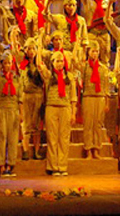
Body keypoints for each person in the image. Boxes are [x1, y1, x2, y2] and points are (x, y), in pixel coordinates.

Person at [36, 37, 77, 177]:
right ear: (52, 62)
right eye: (57, 61)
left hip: (65, 108)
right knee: (52, 138)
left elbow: (73, 97)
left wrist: (73, 113)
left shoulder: (69, 77)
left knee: (64, 138)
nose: (59, 63)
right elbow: (39, 65)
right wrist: (39, 46)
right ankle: (53, 166)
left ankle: (62, 166)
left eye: (61, 61)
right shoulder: (49, 76)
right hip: (51, 108)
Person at [0, 48, 23, 177]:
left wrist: (21, 113)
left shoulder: (16, 79)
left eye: (9, 63)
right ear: (2, 64)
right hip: (0, 109)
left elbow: (20, 98)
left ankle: (10, 165)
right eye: (5, 63)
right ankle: (1, 165)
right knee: (1, 137)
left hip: (13, 110)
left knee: (12, 139)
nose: (8, 65)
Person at [13, 37, 44, 161]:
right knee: (26, 124)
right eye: (29, 49)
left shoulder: (40, 64)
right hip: (26, 95)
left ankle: (36, 151)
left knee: (36, 124)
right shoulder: (22, 63)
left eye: (33, 49)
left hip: (38, 95)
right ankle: (25, 150)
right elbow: (15, 52)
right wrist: (13, 37)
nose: (31, 51)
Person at [80, 41, 111, 159]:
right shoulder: (84, 67)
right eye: (93, 51)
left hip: (100, 97)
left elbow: (106, 86)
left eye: (97, 51)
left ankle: (97, 149)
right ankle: (88, 149)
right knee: (88, 124)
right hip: (88, 97)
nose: (95, 53)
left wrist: (107, 103)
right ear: (89, 52)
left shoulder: (103, 68)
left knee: (98, 124)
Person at [78, 0, 111, 64]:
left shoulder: (107, 2)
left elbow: (110, 20)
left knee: (105, 60)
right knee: (90, 59)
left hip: (104, 34)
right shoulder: (88, 0)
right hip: (92, 33)